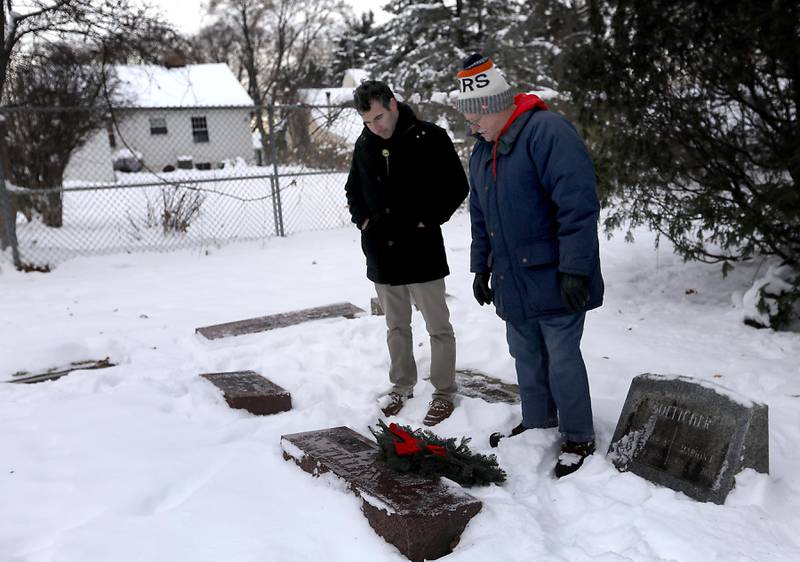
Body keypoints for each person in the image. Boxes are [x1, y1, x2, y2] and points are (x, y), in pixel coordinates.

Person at [455, 54, 604, 477]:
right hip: (511, 279)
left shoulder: (548, 132)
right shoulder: (482, 152)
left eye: (475, 116)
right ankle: (538, 424)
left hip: (555, 275)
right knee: (525, 353)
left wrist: (576, 268)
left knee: (561, 358)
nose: (471, 126)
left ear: (495, 105)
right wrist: (480, 267)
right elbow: (481, 218)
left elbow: (577, 206)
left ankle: (577, 435)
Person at [345, 80, 469, 426]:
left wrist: (427, 219)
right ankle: (401, 386)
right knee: (396, 326)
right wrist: (363, 220)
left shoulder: (429, 137)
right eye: (368, 121)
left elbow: (457, 185)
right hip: (382, 253)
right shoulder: (365, 143)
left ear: (394, 104)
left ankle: (444, 391)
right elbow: (353, 187)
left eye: (380, 117)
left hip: (421, 250)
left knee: (438, 326)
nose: (376, 126)